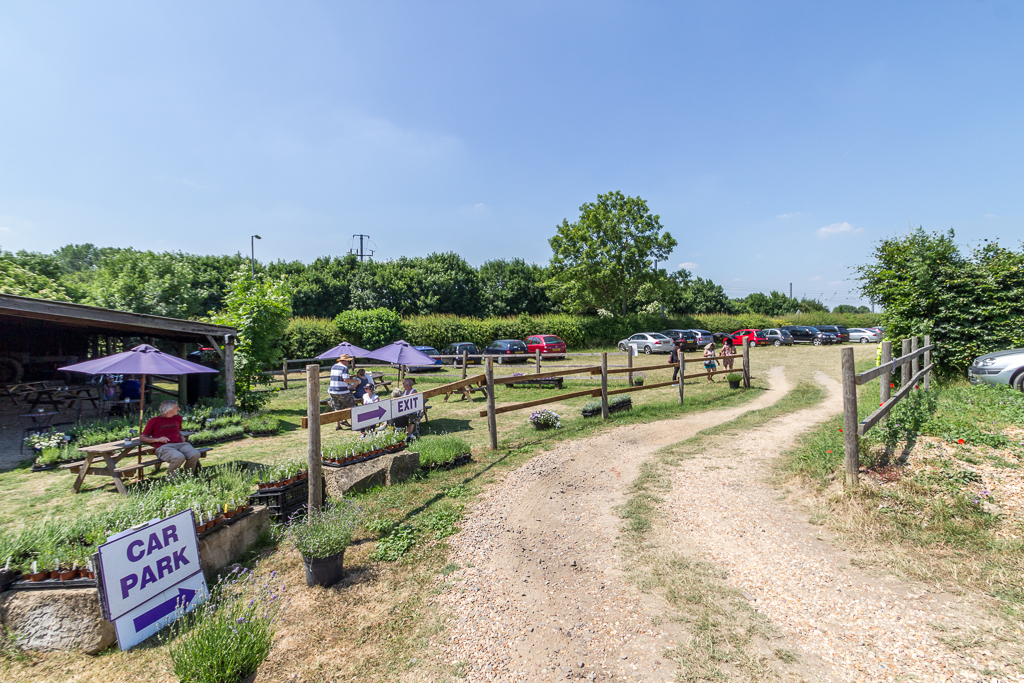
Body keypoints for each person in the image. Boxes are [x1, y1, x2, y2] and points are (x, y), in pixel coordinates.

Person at [141, 400, 201, 478]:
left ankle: (187, 476)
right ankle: (171, 479)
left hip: (180, 444)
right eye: (176, 407)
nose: (178, 409)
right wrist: (157, 439)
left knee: (195, 454)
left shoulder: (178, 418)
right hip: (164, 447)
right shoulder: (154, 421)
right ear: (168, 409)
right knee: (178, 457)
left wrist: (180, 435)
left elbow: (175, 430)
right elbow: (142, 437)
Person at [328, 354, 359, 429]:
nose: (348, 363)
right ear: (345, 361)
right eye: (348, 361)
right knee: (352, 406)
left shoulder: (334, 366)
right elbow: (346, 379)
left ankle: (338, 425)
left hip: (332, 390)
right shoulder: (344, 368)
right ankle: (355, 423)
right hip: (342, 391)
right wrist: (355, 380)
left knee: (337, 408)